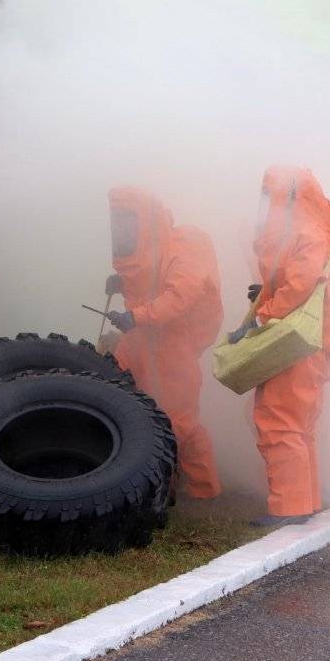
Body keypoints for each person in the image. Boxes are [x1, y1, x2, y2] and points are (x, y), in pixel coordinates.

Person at [234, 166, 330, 527]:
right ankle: (303, 503)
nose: (267, 204)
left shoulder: (305, 232)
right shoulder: (316, 230)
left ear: (288, 196)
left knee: (279, 423)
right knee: (298, 426)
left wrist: (264, 315)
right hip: (308, 345)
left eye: (271, 195)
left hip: (292, 348)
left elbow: (302, 282)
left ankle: (288, 510)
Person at [104, 187, 223, 499]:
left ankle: (198, 490)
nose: (121, 228)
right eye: (118, 220)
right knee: (121, 392)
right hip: (142, 339)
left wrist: (136, 317)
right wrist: (122, 283)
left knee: (178, 419)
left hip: (174, 344)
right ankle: (148, 480)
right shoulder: (144, 250)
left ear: (146, 219)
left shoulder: (185, 247)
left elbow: (179, 297)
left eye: (127, 219)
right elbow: (146, 282)